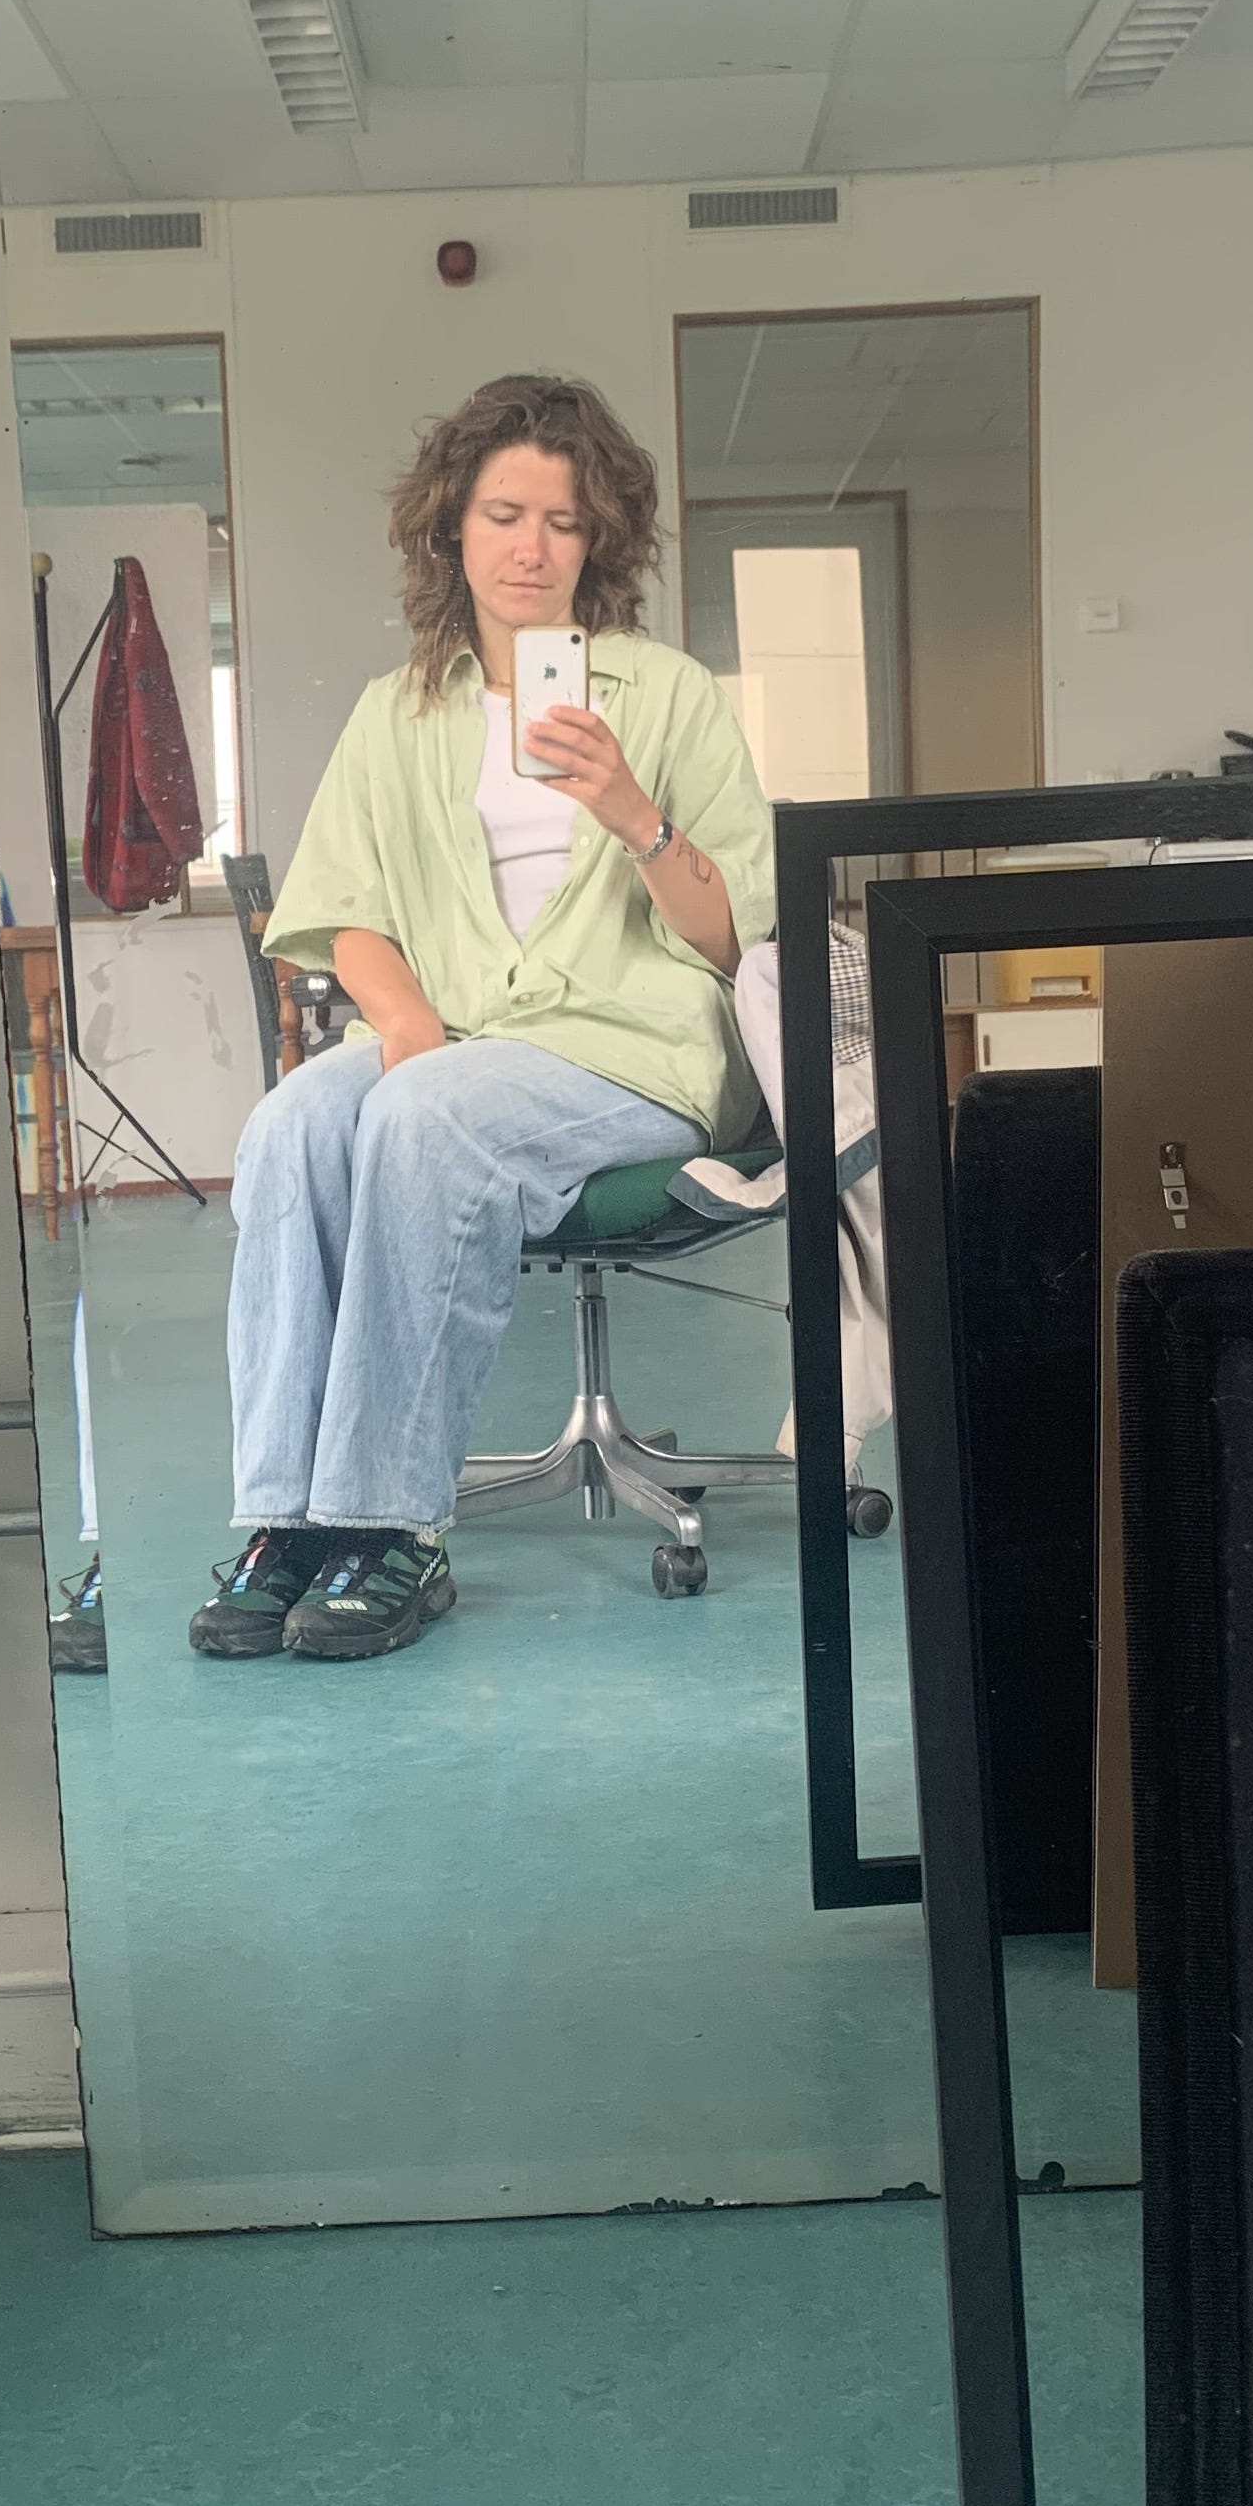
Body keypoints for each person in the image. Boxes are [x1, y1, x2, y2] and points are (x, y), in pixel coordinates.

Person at [188, 373, 775, 1664]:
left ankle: (390, 1524)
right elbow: (343, 910)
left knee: (424, 1118)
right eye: (503, 514)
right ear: (451, 527)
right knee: (291, 1126)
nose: (530, 547)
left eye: (561, 521)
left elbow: (735, 936)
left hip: (627, 1051)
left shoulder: (667, 694)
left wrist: (632, 811)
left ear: (597, 539)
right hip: (452, 1038)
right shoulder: (396, 712)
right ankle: (287, 1521)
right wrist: (404, 1024)